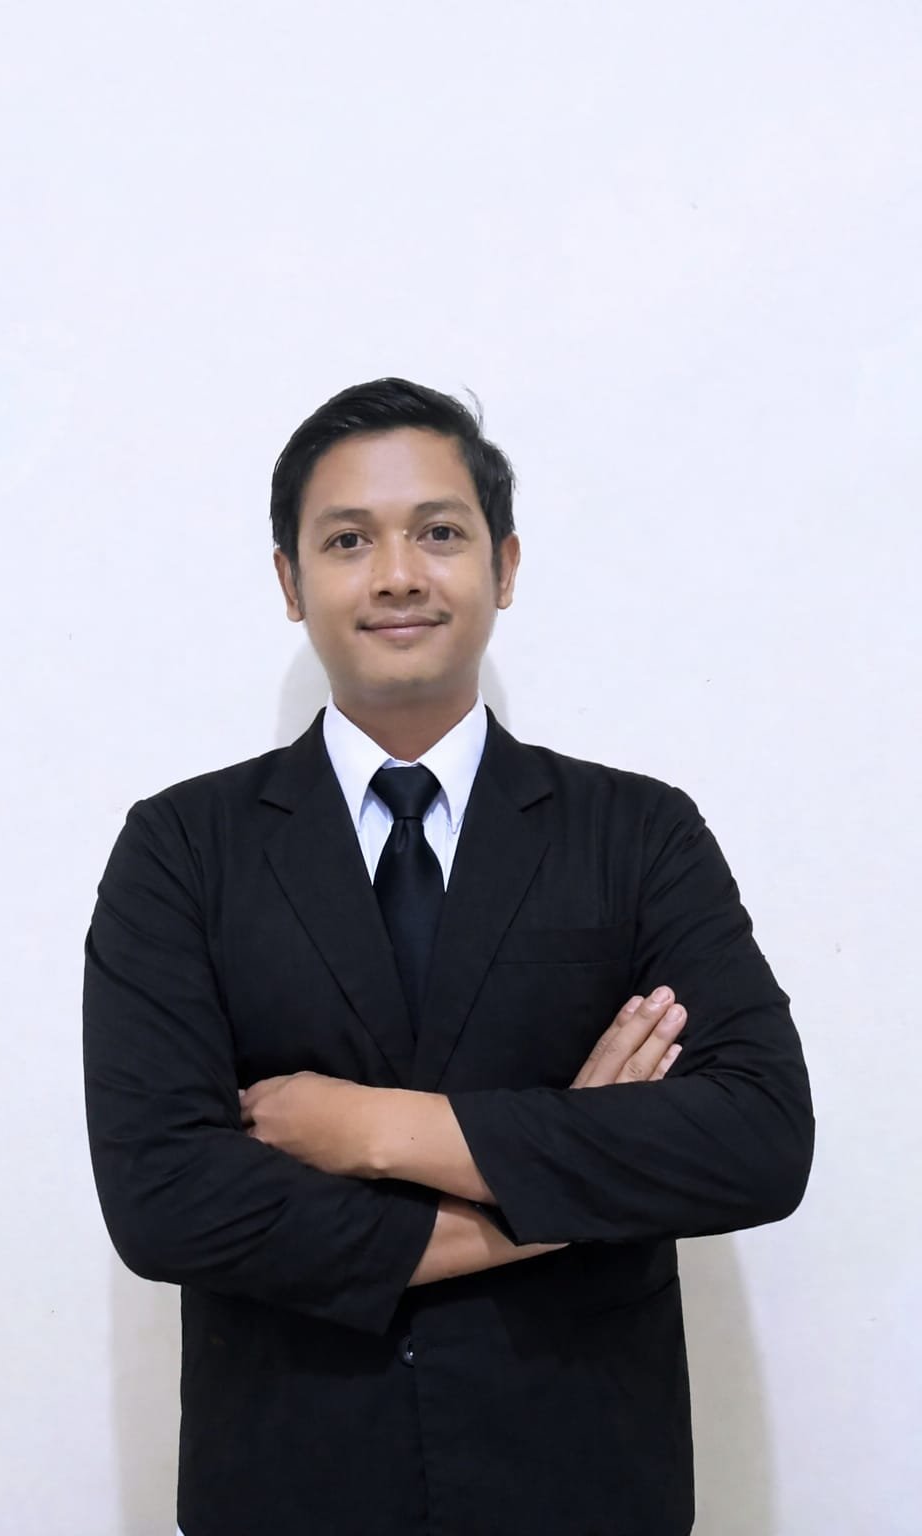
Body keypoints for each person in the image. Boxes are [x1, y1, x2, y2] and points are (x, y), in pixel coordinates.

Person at [82, 377, 814, 1536]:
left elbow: (757, 1140)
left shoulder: (635, 833)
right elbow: (166, 1201)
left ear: (503, 566)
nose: (396, 575)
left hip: (582, 1485)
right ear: (289, 582)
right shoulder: (182, 848)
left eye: (437, 532)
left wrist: (375, 1129)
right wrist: (554, 1200)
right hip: (289, 1485)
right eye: (347, 540)